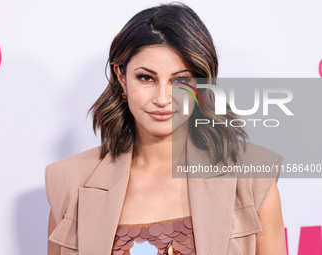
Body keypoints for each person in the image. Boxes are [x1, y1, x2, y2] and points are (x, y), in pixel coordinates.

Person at [45, 2, 287, 254]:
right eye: (146, 78)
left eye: (180, 80)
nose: (162, 98)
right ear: (121, 77)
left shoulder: (252, 176)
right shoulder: (69, 181)